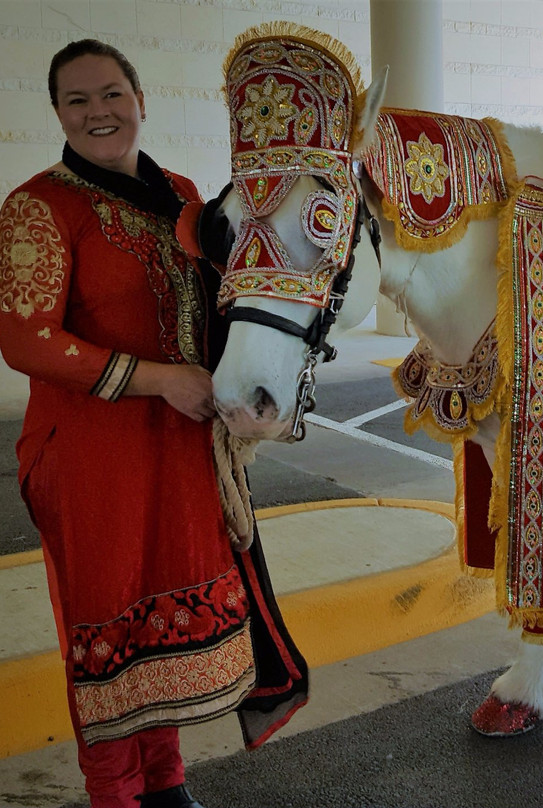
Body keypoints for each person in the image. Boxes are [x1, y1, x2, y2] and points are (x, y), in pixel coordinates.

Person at [0, 40, 307, 808]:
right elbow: (23, 337)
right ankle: (116, 795)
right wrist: (161, 378)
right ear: (58, 114)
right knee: (108, 630)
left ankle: (167, 786)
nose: (98, 111)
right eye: (78, 100)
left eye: (111, 94)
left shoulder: (180, 193)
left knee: (164, 621)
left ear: (140, 99)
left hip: (181, 449)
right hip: (92, 457)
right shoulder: (40, 207)